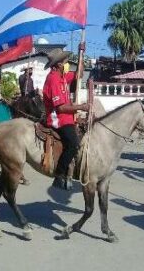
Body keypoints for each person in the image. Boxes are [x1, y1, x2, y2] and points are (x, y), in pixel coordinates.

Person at [42, 48, 89, 190]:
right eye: (65, 61)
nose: (67, 63)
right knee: (74, 144)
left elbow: (79, 75)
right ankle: (59, 174)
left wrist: (82, 53)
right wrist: (81, 107)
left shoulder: (62, 75)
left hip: (68, 117)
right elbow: (61, 108)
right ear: (58, 65)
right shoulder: (53, 79)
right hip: (59, 120)